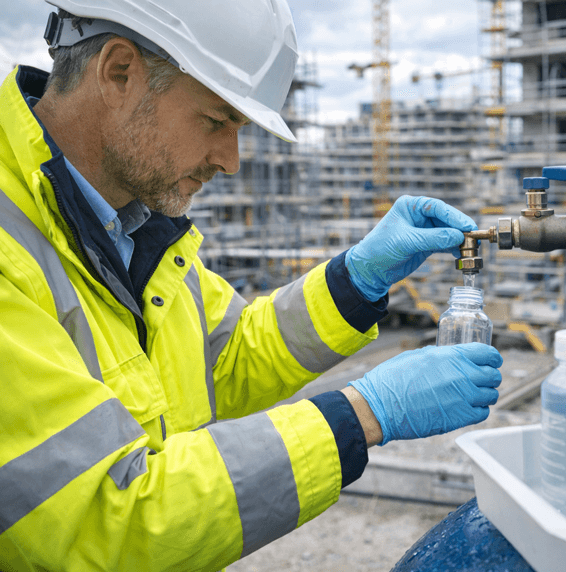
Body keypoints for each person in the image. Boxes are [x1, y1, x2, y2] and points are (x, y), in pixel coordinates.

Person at [0, 1, 504, 570]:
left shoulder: (132, 228)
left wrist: (357, 279)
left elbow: (231, 354)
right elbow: (107, 522)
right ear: (118, 72)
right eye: (216, 121)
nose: (231, 161)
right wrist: (364, 412)